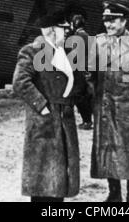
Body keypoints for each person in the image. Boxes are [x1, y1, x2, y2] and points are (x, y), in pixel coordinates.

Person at [87, 2, 129, 202]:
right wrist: (95, 97)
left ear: (124, 21)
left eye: (113, 20)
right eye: (106, 20)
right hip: (105, 106)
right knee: (108, 150)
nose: (108, 25)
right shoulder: (97, 42)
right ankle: (114, 191)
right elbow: (90, 75)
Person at [12, 11, 80, 202]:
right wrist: (42, 107)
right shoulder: (32, 51)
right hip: (45, 123)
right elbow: (20, 82)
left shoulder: (62, 51)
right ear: (51, 30)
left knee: (58, 181)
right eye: (64, 29)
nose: (67, 32)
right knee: (43, 180)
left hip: (63, 122)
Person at [68, 10, 93, 130]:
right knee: (84, 95)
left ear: (74, 24)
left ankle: (87, 121)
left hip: (79, 70)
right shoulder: (87, 35)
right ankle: (88, 120)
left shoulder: (77, 37)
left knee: (78, 96)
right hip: (86, 70)